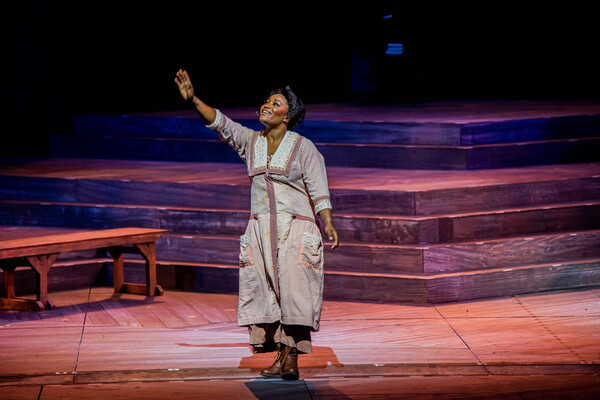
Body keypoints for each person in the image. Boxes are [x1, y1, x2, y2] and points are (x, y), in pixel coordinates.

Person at [174, 70, 339, 380]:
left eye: (274, 103)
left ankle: (291, 357)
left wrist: (327, 223)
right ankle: (280, 355)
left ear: (287, 115)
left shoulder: (304, 148)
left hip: (295, 229)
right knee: (268, 294)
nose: (266, 105)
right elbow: (222, 125)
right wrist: (193, 99)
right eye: (265, 101)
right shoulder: (252, 142)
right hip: (261, 231)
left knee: (293, 291)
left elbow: (319, 189)